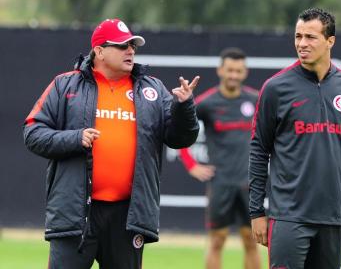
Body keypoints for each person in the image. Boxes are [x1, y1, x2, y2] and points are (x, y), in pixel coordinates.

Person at [23, 18, 200, 269]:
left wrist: (184, 109)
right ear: (99, 51)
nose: (130, 50)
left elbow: (181, 138)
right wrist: (75, 138)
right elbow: (32, 132)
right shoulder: (65, 84)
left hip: (127, 216)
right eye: (121, 45)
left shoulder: (152, 89)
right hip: (76, 213)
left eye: (132, 45)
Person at [249, 8, 341, 269]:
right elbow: (258, 150)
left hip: (332, 218)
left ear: (330, 41)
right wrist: (256, 212)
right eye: (298, 36)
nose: (301, 43)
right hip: (287, 217)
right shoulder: (276, 88)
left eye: (310, 37)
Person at [179, 47, 261, 269]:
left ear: (245, 72)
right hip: (221, 183)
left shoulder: (256, 100)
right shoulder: (207, 103)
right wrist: (191, 165)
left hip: (250, 184)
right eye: (230, 70)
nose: (234, 75)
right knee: (217, 241)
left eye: (238, 71)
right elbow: (180, 129)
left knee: (252, 241)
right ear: (220, 70)